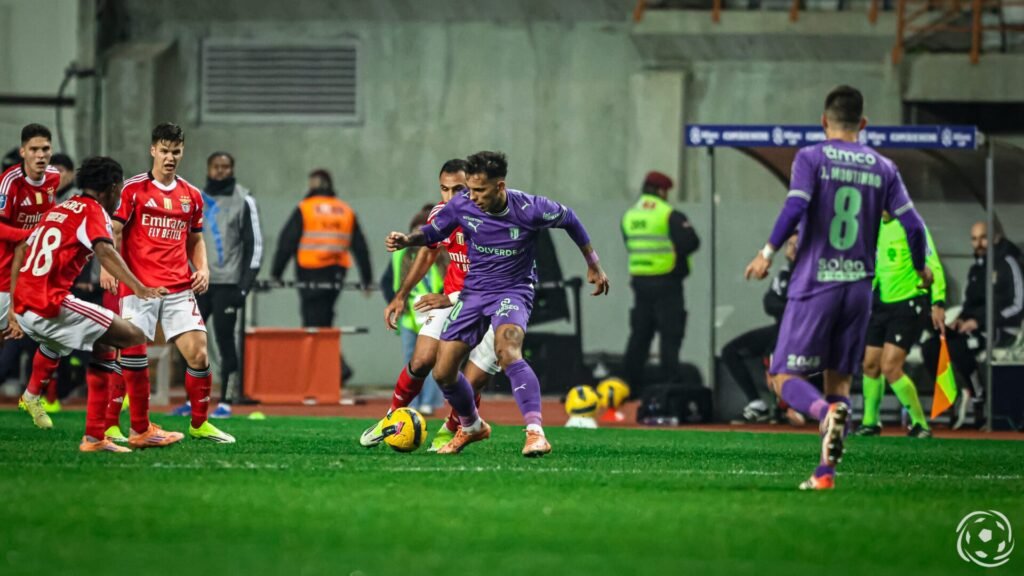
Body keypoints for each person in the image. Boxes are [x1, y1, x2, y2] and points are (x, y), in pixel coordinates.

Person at [744, 85, 931, 490]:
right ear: (863, 123)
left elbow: (796, 205)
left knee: (782, 375)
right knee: (840, 382)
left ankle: (822, 413)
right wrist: (921, 269)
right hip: (859, 291)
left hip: (817, 282)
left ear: (823, 122)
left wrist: (767, 252)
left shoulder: (811, 157)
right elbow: (914, 226)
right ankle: (825, 473)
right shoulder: (884, 167)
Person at [385, 151, 610, 457]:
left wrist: (593, 264)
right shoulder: (462, 205)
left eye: (480, 190)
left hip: (513, 291)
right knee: (443, 372)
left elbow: (570, 219)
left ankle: (535, 432)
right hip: (474, 292)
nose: (472, 197)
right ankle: (472, 426)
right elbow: (434, 233)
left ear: (500, 186)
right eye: (470, 189)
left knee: (508, 351)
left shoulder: (530, 208)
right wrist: (407, 240)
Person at [10, 156, 167, 453]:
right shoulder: (93, 211)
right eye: (119, 188)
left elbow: (25, 250)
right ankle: (141, 429)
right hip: (49, 304)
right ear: (111, 187)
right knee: (133, 337)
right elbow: (105, 251)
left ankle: (94, 437)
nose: (119, 195)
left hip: (25, 304)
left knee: (103, 344)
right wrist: (139, 287)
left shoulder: (60, 208)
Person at [101, 122, 234, 446]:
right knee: (129, 355)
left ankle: (200, 423)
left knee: (199, 354)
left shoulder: (191, 195)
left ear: (182, 152)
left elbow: (195, 239)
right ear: (153, 151)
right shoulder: (133, 190)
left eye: (176, 151)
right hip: (139, 287)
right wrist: (108, 268)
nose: (170, 157)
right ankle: (112, 425)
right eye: (164, 150)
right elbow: (114, 231)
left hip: (178, 288)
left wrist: (203, 269)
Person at [362, 159, 502, 452]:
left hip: (493, 303)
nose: (450, 197)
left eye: (458, 189)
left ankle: (454, 428)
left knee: (471, 379)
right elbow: (427, 253)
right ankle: (391, 418)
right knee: (422, 360)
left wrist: (449, 298)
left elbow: (495, 279)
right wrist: (401, 295)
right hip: (453, 299)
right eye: (444, 189)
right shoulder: (441, 214)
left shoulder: (492, 220)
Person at [171, 151, 262, 417]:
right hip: (197, 282)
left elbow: (255, 246)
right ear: (208, 169)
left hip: (228, 283)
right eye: (216, 166)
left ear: (232, 169)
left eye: (225, 166)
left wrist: (244, 286)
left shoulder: (244, 199)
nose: (220, 171)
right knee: (189, 340)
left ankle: (226, 401)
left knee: (224, 340)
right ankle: (192, 401)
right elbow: (181, 240)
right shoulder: (195, 198)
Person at [271, 168, 372, 380]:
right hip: (336, 272)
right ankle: (329, 370)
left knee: (313, 323)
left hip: (310, 271)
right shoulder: (344, 210)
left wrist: (276, 273)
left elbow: (287, 241)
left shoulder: (305, 208)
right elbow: (360, 246)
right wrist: (366, 279)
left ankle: (325, 371)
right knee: (324, 319)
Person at [921, 220, 1023, 429]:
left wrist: (980, 322)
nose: (979, 244)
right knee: (931, 346)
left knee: (960, 345)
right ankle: (952, 396)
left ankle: (978, 397)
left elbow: (1018, 304)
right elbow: (969, 304)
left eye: (983, 238)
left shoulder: (1008, 262)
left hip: (1002, 329)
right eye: (974, 239)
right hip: (974, 329)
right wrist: (961, 320)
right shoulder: (976, 269)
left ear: (995, 237)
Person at [856, 213, 947, 438]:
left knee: (890, 366)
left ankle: (920, 424)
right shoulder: (874, 226)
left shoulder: (912, 225)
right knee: (870, 364)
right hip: (882, 304)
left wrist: (938, 301)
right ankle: (870, 422)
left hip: (909, 303)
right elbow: (877, 267)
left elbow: (933, 263)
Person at [2, 124, 61, 429]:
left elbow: (51, 215)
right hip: (3, 275)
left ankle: (33, 395)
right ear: (23, 151)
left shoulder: (53, 178)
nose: (41, 155)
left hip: (35, 275)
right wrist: (28, 235)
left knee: (55, 333)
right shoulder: (9, 182)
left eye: (45, 149)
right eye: (34, 149)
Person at [621, 171, 699, 391]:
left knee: (640, 334)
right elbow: (691, 242)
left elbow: (630, 243)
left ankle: (629, 384)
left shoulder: (630, 215)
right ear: (662, 191)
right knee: (670, 335)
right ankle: (669, 385)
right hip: (667, 281)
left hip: (640, 282)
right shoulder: (668, 214)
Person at [723, 235, 796, 424]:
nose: (793, 248)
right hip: (781, 328)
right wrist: (791, 308)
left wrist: (792, 309)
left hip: (804, 332)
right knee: (730, 351)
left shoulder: (812, 273)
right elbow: (769, 303)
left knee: (777, 356)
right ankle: (757, 404)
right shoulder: (785, 272)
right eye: (790, 244)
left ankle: (795, 408)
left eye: (798, 244)